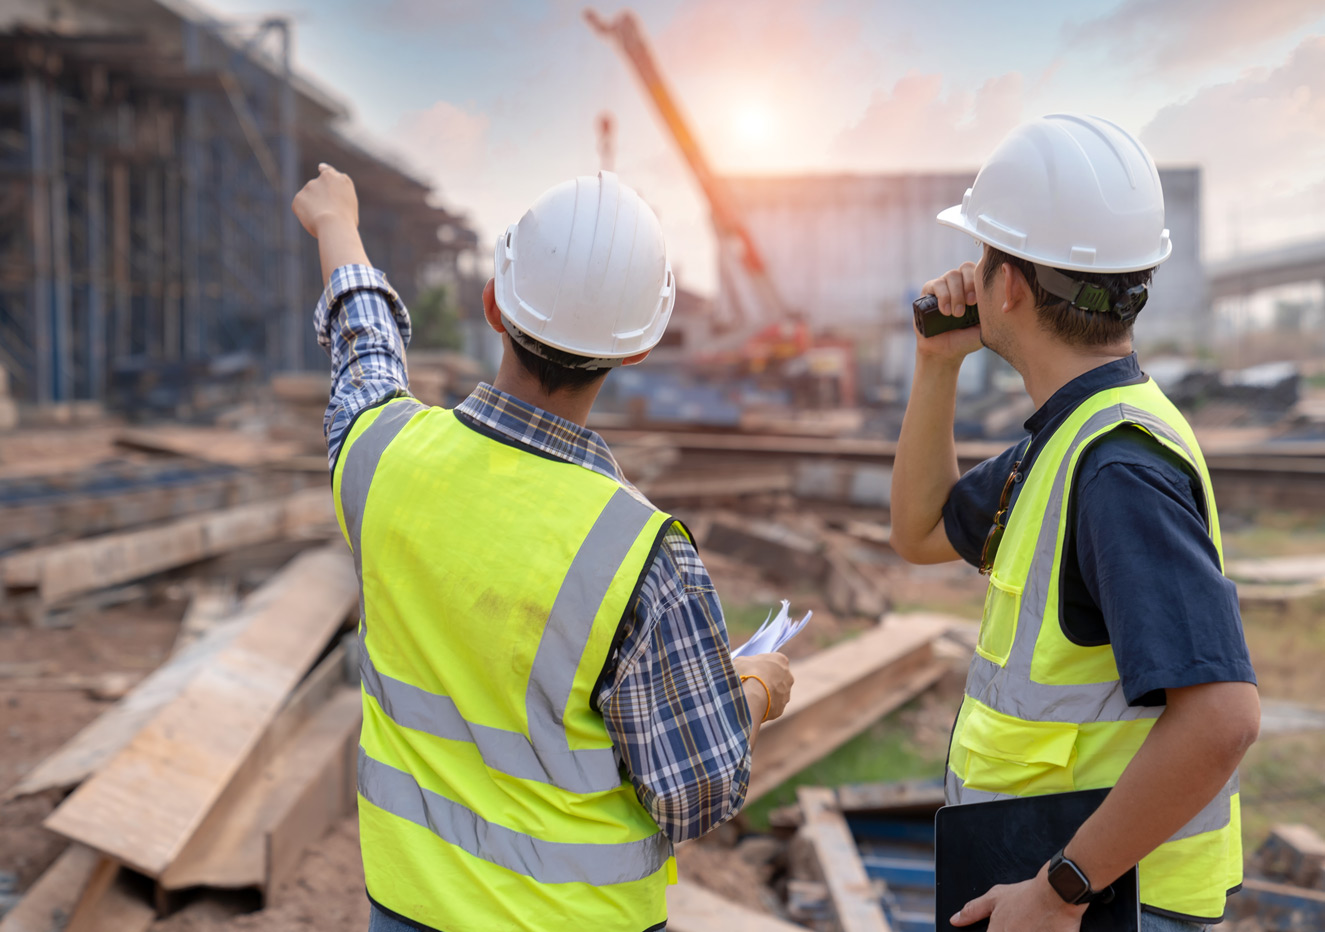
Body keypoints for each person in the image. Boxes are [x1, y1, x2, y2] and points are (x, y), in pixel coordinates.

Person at [291, 165, 794, 932]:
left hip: (407, 908)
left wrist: (338, 226)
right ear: (636, 353)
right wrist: (753, 687)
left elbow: (365, 358)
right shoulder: (644, 556)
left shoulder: (382, 458)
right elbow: (696, 791)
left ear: (493, 303)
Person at [890, 114, 1260, 931]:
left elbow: (1222, 717)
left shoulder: (1115, 468)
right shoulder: (1071, 437)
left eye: (982, 255)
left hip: (1111, 903)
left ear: (1008, 286)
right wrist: (935, 363)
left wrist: (1062, 887)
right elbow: (918, 533)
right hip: (1077, 888)